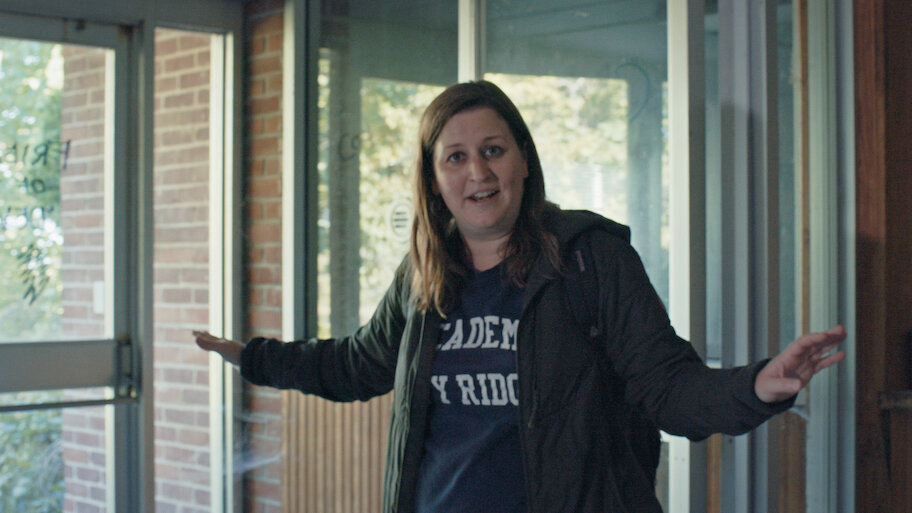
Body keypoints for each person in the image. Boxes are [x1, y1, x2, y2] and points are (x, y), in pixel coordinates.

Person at [194, 80, 845, 513]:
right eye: (455, 157)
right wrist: (255, 357)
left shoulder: (589, 258)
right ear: (433, 179)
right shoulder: (423, 278)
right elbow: (356, 364)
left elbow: (666, 385)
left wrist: (760, 384)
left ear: (523, 161)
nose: (477, 171)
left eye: (493, 150)